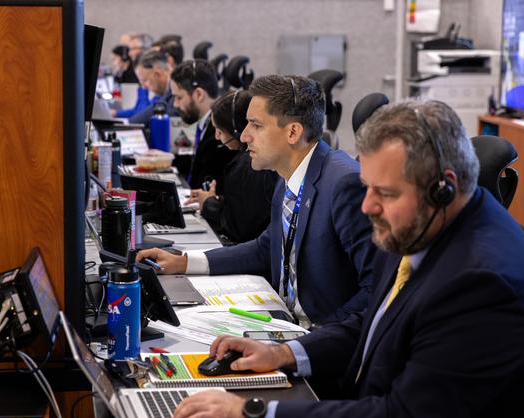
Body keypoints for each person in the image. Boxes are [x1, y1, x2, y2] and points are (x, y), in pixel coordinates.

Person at [171, 99, 524, 418]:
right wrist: (283, 354)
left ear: (443, 188)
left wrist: (255, 416)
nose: (367, 206)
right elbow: (371, 322)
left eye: (385, 193)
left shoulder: (481, 285)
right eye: (367, 187)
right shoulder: (420, 224)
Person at [138, 75, 376, 327]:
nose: (244, 136)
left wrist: (314, 341)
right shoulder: (289, 175)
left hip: (322, 336)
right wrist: (184, 262)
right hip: (288, 323)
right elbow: (267, 247)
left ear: (293, 132)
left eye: (255, 125)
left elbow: (376, 289)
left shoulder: (344, 185)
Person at [185, 89, 278, 243]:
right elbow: (249, 206)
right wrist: (216, 199)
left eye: (220, 131)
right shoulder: (248, 160)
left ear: (236, 131)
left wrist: (208, 203)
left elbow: (239, 227)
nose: (217, 137)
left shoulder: (250, 165)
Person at [169, 59, 237, 192]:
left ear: (199, 94)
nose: (175, 105)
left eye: (179, 97)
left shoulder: (220, 135)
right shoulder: (205, 125)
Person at [128, 49, 179, 125]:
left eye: (145, 80)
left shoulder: (177, 89)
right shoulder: (164, 94)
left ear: (157, 74)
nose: (144, 87)